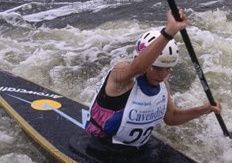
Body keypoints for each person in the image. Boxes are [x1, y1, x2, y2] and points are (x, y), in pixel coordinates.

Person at [85, 9, 222, 151]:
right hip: (101, 147)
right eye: (157, 68)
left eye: (167, 68)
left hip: (136, 149)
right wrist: (169, 31)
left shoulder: (163, 85)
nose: (162, 75)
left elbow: (172, 118)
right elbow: (137, 69)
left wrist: (204, 109)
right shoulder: (120, 74)